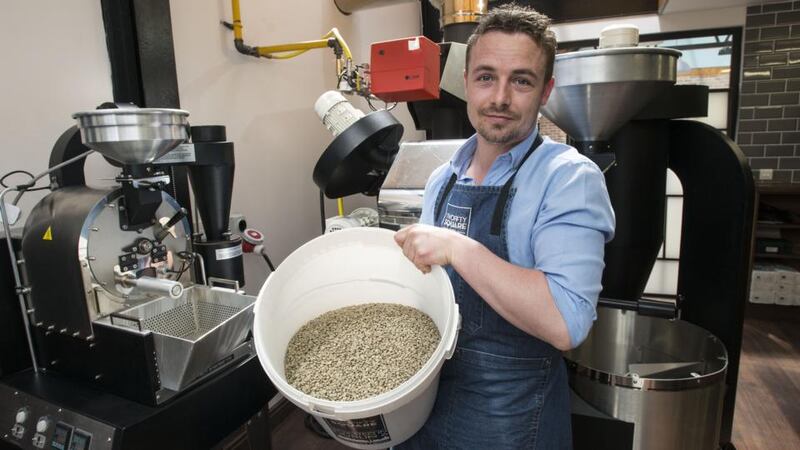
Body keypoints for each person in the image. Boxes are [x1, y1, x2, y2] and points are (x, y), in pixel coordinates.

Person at [393, 4, 615, 449]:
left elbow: (565, 322)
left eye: (521, 80)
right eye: (486, 77)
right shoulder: (443, 178)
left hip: (509, 419)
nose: (500, 98)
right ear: (466, 82)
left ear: (545, 90)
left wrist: (460, 248)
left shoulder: (568, 179)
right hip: (424, 403)